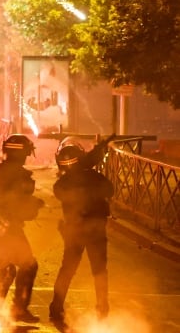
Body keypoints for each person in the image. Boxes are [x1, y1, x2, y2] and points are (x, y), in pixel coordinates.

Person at [49, 136, 115, 328]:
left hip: (74, 231)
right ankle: (102, 308)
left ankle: (56, 307)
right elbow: (109, 191)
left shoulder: (61, 183)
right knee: (99, 271)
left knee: (67, 270)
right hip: (95, 231)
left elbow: (63, 191)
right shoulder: (94, 177)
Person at [0, 134, 44, 323]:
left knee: (7, 268)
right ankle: (15, 308)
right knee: (26, 265)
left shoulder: (4, 170)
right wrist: (32, 204)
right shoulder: (12, 173)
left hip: (4, 225)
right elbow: (9, 200)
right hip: (7, 226)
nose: (28, 155)